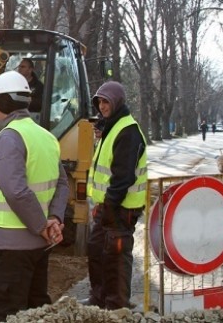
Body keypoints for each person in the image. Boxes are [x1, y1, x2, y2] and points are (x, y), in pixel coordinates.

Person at [0, 70, 70, 321]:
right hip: (38, 248)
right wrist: (54, 218)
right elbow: (62, 184)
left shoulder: (9, 137)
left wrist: (42, 225)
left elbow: (15, 189)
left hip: (10, 249)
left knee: (5, 314)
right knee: (35, 313)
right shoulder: (47, 138)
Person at [83, 81, 147, 310]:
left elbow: (122, 177)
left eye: (106, 101)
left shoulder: (127, 131)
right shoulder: (112, 127)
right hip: (108, 207)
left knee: (116, 258)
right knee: (97, 250)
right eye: (99, 101)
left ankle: (117, 306)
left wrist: (109, 207)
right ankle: (99, 299)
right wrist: (101, 206)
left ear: (117, 102)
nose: (102, 106)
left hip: (121, 209)